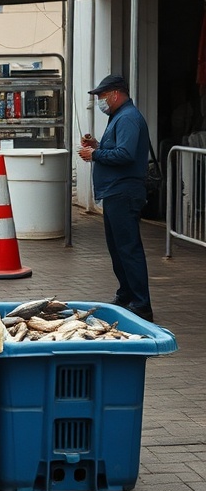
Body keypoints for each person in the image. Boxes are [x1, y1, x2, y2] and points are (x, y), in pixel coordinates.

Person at [77, 74, 153, 322]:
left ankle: (141, 304)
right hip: (115, 192)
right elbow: (116, 150)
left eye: (101, 96)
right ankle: (126, 295)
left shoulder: (128, 118)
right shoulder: (119, 117)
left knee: (128, 248)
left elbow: (126, 154)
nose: (100, 101)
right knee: (118, 248)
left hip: (123, 191)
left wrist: (95, 155)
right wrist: (97, 146)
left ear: (115, 94)